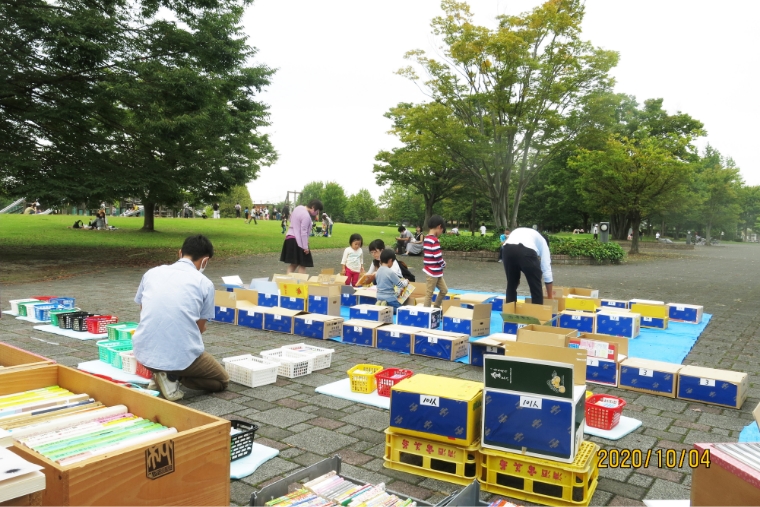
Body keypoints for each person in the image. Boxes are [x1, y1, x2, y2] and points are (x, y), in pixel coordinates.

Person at [132, 235, 229, 401]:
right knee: (222, 381)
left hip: (143, 352)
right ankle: (171, 376)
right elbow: (199, 329)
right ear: (205, 261)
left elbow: (143, 309)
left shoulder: (152, 273)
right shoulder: (204, 283)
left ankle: (161, 374)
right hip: (180, 356)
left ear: (180, 252)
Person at [501, 227, 553, 305]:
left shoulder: (524, 232)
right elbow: (546, 270)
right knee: (535, 285)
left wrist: (515, 280)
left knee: (511, 284)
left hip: (506, 249)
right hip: (526, 251)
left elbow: (515, 252)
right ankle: (537, 313)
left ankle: (510, 311)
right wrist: (550, 297)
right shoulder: (543, 242)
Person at [280, 199, 323, 274]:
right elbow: (303, 232)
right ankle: (301, 283)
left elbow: (292, 220)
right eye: (317, 210)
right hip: (297, 240)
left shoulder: (298, 208)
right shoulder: (306, 216)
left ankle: (288, 282)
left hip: (289, 238)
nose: (317, 213)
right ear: (313, 207)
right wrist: (305, 247)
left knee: (293, 264)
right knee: (303, 264)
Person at [423, 215, 448, 307]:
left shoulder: (427, 239)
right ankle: (426, 313)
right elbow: (437, 256)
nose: (441, 232)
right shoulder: (434, 240)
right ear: (439, 227)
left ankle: (436, 308)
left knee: (444, 290)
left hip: (437, 272)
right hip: (432, 272)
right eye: (442, 230)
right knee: (429, 294)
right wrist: (443, 264)